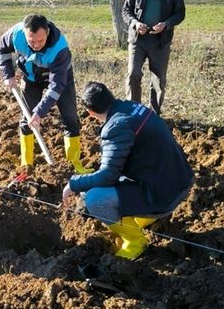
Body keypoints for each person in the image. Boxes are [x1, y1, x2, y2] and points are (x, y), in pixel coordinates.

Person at [62, 82, 194, 260]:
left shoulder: (115, 128)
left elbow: (108, 175)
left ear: (91, 113)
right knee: (103, 185)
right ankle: (139, 221)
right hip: (179, 179)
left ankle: (135, 241)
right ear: (111, 96)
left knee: (94, 199)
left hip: (164, 195)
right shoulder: (133, 107)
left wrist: (74, 183)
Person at [0, 14, 92, 174]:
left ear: (47, 33)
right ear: (25, 34)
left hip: (59, 79)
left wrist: (40, 112)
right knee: (26, 119)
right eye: (31, 41)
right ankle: (27, 164)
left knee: (70, 119)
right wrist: (8, 75)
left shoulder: (60, 48)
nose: (36, 45)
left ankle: (73, 166)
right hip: (31, 77)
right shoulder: (16, 34)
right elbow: (2, 48)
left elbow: (56, 86)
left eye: (40, 41)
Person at [122, 0, 185, 115]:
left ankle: (153, 115)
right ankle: (134, 111)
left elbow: (180, 13)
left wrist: (166, 24)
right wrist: (136, 23)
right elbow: (126, 11)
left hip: (161, 41)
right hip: (138, 39)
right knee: (133, 74)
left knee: (158, 80)